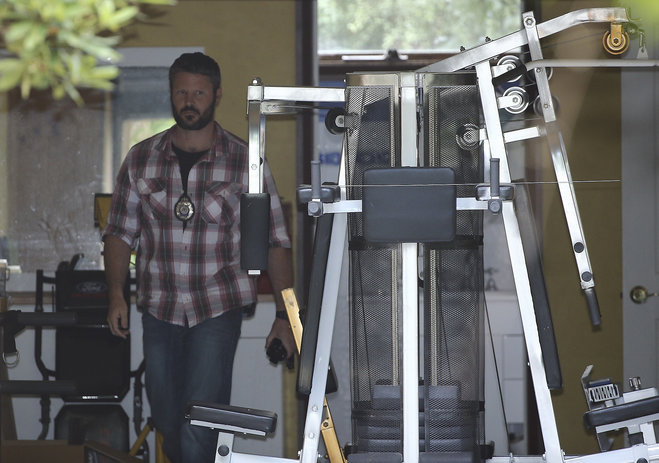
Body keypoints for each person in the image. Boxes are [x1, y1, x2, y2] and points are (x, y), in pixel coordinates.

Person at [102, 52, 295, 463]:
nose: (189, 101)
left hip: (216, 308)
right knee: (168, 422)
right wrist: (115, 294)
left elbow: (277, 239)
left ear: (217, 95)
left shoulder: (246, 161)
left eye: (199, 93)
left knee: (199, 427)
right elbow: (119, 233)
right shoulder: (141, 158)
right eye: (182, 92)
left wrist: (285, 313)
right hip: (159, 309)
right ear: (172, 95)